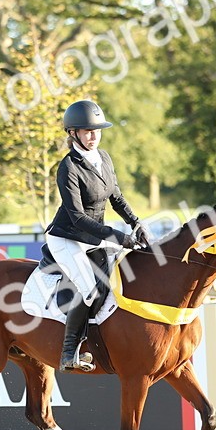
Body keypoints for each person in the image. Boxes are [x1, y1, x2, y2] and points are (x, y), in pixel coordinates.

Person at [46, 99, 149, 372]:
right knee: (89, 290)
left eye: (97, 131)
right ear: (73, 133)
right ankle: (69, 352)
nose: (94, 136)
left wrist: (135, 223)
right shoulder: (68, 167)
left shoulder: (103, 157)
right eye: (88, 131)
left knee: (117, 280)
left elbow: (116, 196)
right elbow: (78, 216)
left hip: (94, 236)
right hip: (68, 237)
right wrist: (116, 236)